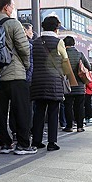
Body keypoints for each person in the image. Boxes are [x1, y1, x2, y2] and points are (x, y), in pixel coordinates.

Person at [0, 0, 36, 155]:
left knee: (0, 112)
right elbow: (23, 48)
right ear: (6, 7)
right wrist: (26, 65)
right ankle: (23, 144)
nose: (13, 8)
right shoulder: (13, 23)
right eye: (12, 5)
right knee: (21, 110)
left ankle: (4, 144)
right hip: (15, 74)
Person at [30, 16, 66, 151]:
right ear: (56, 28)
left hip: (37, 81)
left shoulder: (35, 42)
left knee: (38, 111)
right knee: (53, 112)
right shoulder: (59, 42)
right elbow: (65, 61)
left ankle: (36, 141)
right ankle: (51, 142)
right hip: (53, 82)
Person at [61, 36, 91, 133]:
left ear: (65, 44)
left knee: (68, 106)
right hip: (80, 86)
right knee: (80, 106)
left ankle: (69, 126)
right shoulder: (80, 54)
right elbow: (89, 67)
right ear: (74, 44)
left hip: (68, 85)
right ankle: (80, 126)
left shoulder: (63, 55)